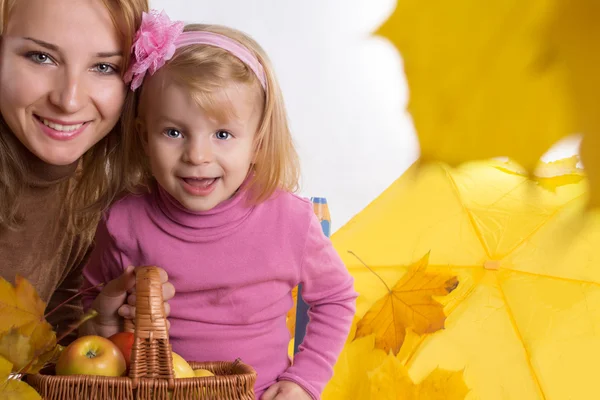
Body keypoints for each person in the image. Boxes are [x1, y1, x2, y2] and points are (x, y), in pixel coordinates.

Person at [82, 10, 357, 399]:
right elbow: (89, 310)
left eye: (223, 133)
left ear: (257, 142)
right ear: (144, 138)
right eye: (174, 132)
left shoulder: (288, 220)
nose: (197, 155)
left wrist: (303, 380)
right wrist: (109, 314)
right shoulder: (125, 221)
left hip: (256, 393)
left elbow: (336, 298)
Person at [0, 0, 173, 343]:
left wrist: (93, 331)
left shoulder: (91, 198)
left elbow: (46, 338)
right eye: (41, 57)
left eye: (104, 67)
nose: (69, 100)